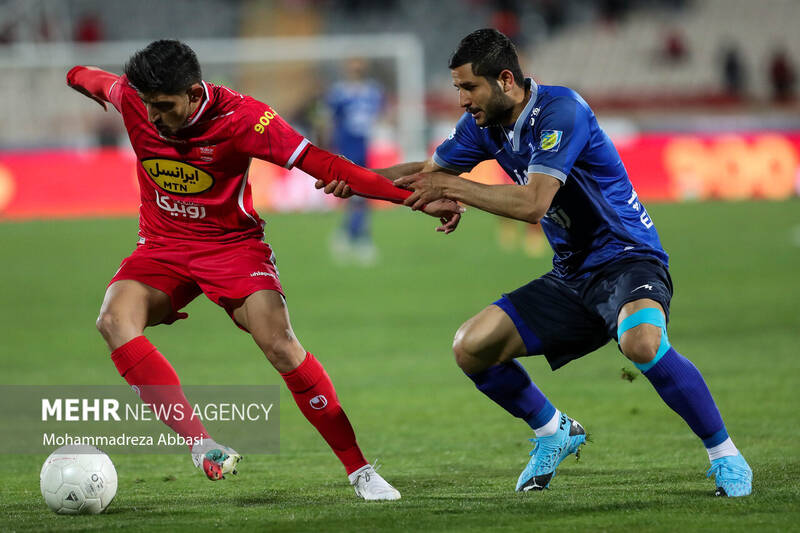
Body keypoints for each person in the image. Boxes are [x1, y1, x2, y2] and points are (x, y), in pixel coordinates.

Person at [318, 29, 752, 497]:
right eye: (457, 89)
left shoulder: (560, 112)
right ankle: (554, 431)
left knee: (641, 342)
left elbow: (532, 204)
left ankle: (726, 455)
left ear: (505, 79)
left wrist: (454, 189)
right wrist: (352, 178)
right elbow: (429, 173)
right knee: (471, 347)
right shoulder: (485, 125)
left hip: (628, 260)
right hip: (571, 275)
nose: (462, 100)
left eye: (469, 88)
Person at [66, 40, 461, 501]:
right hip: (162, 247)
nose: (154, 118)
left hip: (232, 248)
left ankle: (360, 470)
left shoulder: (244, 119)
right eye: (148, 106)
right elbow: (89, 76)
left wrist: (412, 200)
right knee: (113, 320)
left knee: (281, 345)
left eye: (164, 106)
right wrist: (76, 76)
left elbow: (327, 164)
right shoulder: (134, 99)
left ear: (194, 94)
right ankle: (202, 445)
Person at [324, 58, 385, 265]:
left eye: (359, 66)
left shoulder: (373, 92)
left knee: (361, 194)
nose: (356, 70)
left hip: (364, 150)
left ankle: (350, 236)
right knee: (356, 194)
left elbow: (379, 116)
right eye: (353, 67)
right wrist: (330, 148)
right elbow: (330, 120)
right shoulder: (339, 93)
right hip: (345, 149)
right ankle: (356, 238)